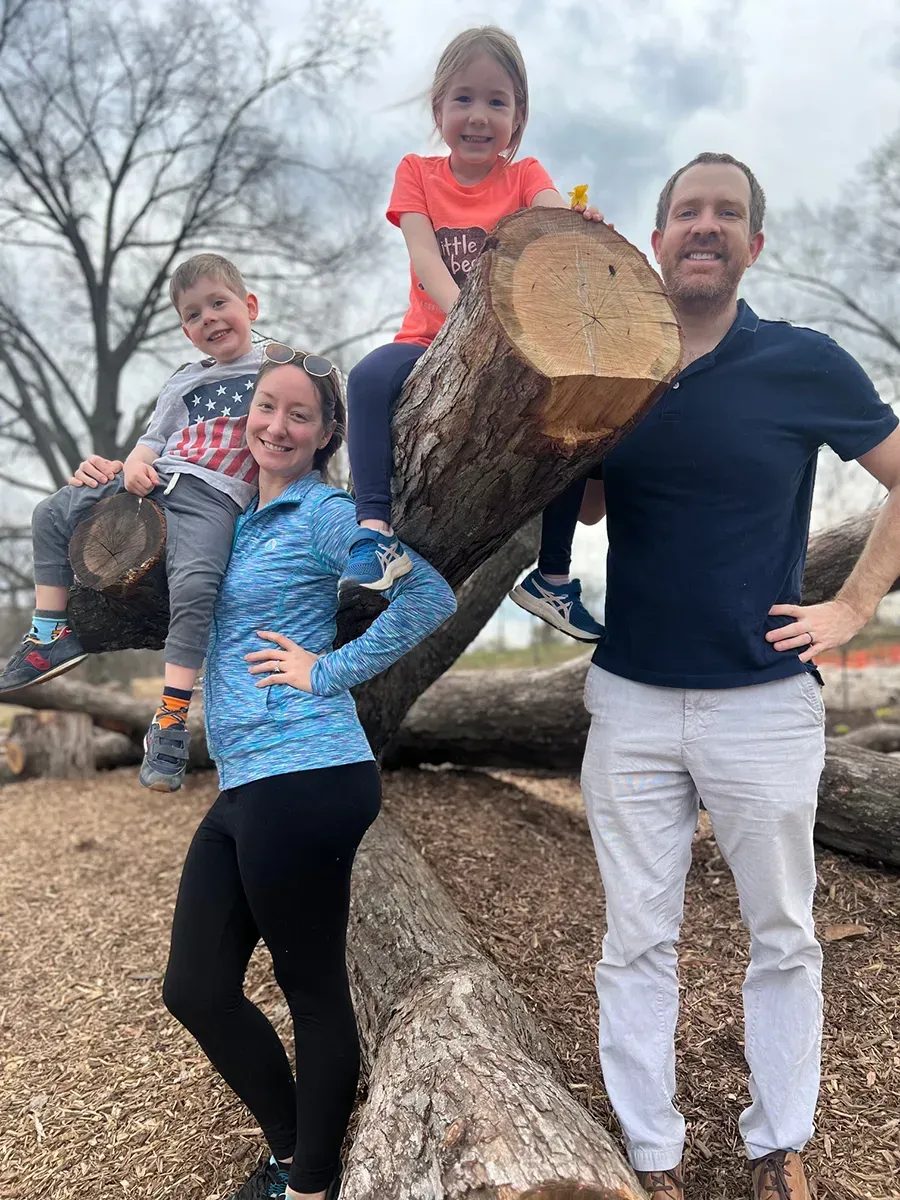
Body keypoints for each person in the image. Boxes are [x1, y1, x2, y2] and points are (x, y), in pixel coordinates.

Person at [578, 152, 900, 1200]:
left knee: (783, 933)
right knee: (636, 937)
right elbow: (580, 508)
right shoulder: (615, 369)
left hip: (763, 702)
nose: (703, 226)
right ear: (656, 239)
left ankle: (780, 1144)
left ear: (753, 245)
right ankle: (651, 1154)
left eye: (726, 214)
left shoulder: (802, 363)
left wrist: (852, 608)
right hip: (627, 695)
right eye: (685, 212)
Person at [145, 347, 456, 1200]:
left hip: (310, 772)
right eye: (268, 409)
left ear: (325, 437)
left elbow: (429, 599)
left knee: (311, 990)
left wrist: (325, 671)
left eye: (300, 416)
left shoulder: (324, 515)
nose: (277, 426)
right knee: (195, 987)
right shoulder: (238, 514)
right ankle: (293, 1148)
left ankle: (310, 1181)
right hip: (248, 780)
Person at [343, 24, 606, 642]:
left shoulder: (522, 176)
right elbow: (425, 260)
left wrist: (576, 221)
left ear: (518, 117)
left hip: (513, 354)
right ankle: (375, 529)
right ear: (439, 110)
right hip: (428, 342)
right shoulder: (417, 173)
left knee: (563, 424)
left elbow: (548, 218)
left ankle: (554, 577)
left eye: (497, 101)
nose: (479, 116)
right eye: (463, 99)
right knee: (367, 378)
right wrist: (469, 325)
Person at [0, 253, 265, 793]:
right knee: (52, 511)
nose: (210, 318)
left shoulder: (275, 370)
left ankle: (169, 717)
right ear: (187, 331)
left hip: (213, 497)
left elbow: (298, 433)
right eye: (194, 314)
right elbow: (150, 443)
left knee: (196, 585)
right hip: (156, 480)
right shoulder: (184, 380)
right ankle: (49, 631)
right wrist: (138, 465)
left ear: (250, 306)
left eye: (220, 303)